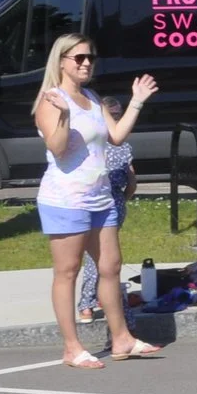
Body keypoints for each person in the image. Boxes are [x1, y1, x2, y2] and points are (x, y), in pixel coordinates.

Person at [34, 35, 161, 369]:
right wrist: (62, 116)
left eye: (90, 57)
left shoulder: (91, 97)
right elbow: (59, 149)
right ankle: (72, 347)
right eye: (78, 58)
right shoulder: (51, 100)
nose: (86, 63)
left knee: (110, 267)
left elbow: (116, 136)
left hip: (100, 197)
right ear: (61, 61)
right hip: (66, 200)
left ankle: (121, 339)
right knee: (68, 271)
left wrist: (136, 101)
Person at [74, 95, 136, 323]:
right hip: (110, 202)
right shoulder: (120, 146)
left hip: (97, 200)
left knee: (98, 258)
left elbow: (131, 181)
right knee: (103, 259)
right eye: (116, 116)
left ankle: (89, 304)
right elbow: (131, 182)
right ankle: (90, 302)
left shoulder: (91, 143)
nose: (118, 119)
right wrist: (122, 198)